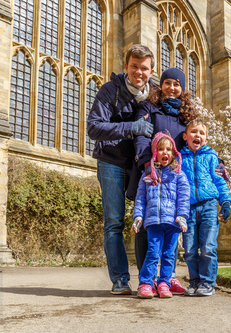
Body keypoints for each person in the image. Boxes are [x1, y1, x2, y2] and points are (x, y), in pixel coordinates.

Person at [87, 44, 155, 295]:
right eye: (134, 66)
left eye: (144, 68)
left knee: (148, 221)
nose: (139, 72)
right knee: (114, 223)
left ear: (151, 70)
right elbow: (93, 128)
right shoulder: (110, 90)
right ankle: (120, 279)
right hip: (111, 162)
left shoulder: (154, 95)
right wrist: (131, 127)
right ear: (126, 66)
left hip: (140, 165)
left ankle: (147, 279)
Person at [129, 67, 196, 294]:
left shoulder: (186, 116)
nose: (172, 88)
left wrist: (217, 161)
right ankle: (146, 280)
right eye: (168, 83)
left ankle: (167, 279)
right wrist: (149, 165)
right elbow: (140, 137)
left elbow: (196, 142)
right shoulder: (149, 107)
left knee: (170, 233)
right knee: (148, 231)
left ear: (182, 89)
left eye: (177, 84)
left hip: (175, 177)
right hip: (150, 174)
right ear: (161, 85)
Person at [132, 132, 190, 298]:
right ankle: (146, 283)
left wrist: (182, 216)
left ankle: (164, 283)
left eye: (168, 149)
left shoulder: (178, 174)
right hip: (154, 222)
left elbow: (184, 197)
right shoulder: (148, 175)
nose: (165, 152)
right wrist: (138, 217)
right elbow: (141, 198)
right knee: (152, 253)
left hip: (172, 223)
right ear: (155, 152)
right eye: (161, 149)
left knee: (168, 255)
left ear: (173, 153)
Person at [180, 119, 231, 296]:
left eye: (202, 133)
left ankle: (208, 282)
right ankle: (194, 282)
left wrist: (225, 202)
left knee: (208, 247)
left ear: (206, 139)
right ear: (185, 137)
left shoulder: (212, 157)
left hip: (209, 205)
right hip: (187, 208)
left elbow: (219, 181)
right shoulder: (180, 157)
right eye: (194, 132)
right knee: (190, 249)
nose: (198, 135)